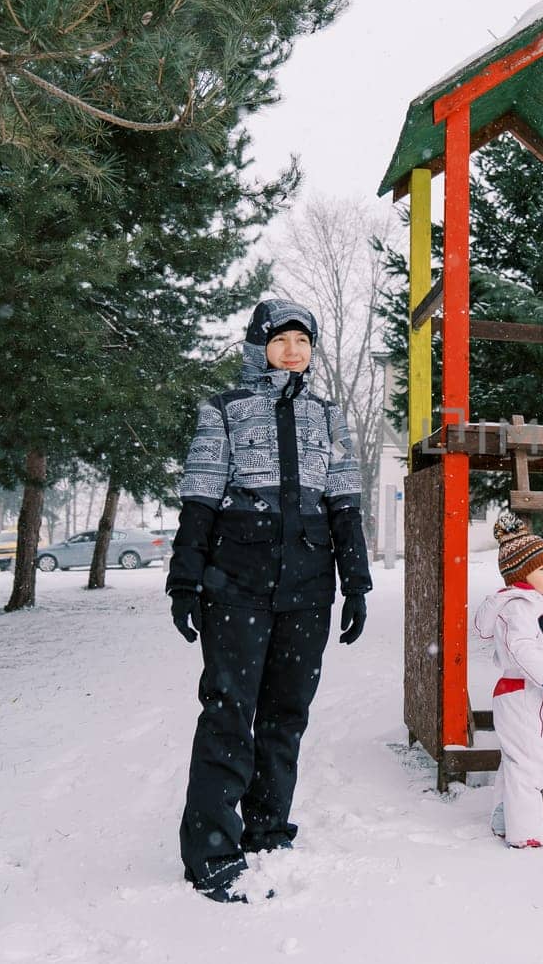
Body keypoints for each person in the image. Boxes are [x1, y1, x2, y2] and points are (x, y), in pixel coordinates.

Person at [166, 298, 372, 903]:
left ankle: (266, 828)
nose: (292, 350)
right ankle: (210, 851)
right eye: (281, 339)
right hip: (236, 584)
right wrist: (185, 579)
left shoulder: (329, 417)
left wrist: (355, 582)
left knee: (286, 715)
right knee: (229, 714)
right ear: (259, 345)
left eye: (302, 341)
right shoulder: (223, 411)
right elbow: (200, 499)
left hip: (307, 588)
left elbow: (344, 502)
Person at [472, 514, 543, 849]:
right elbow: (522, 647)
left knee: (516, 760)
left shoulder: (524, 604)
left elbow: (533, 633)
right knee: (531, 763)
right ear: (521, 573)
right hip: (526, 692)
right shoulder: (520, 607)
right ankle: (528, 831)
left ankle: (505, 817)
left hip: (516, 693)